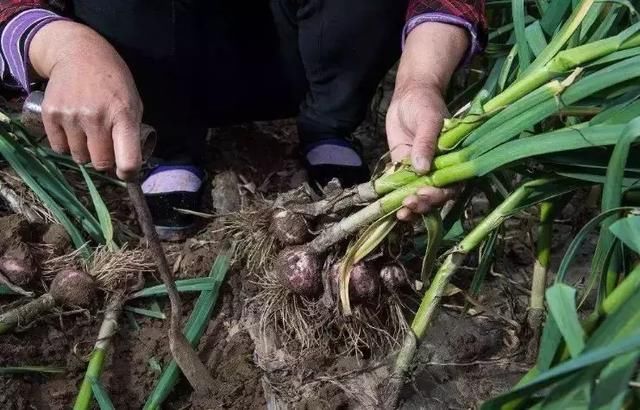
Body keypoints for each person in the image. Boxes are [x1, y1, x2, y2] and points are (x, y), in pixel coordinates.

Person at [0, 0, 485, 239]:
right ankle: (171, 144)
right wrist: (67, 49)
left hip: (294, 47)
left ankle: (328, 122)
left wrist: (420, 80)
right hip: (154, 56)